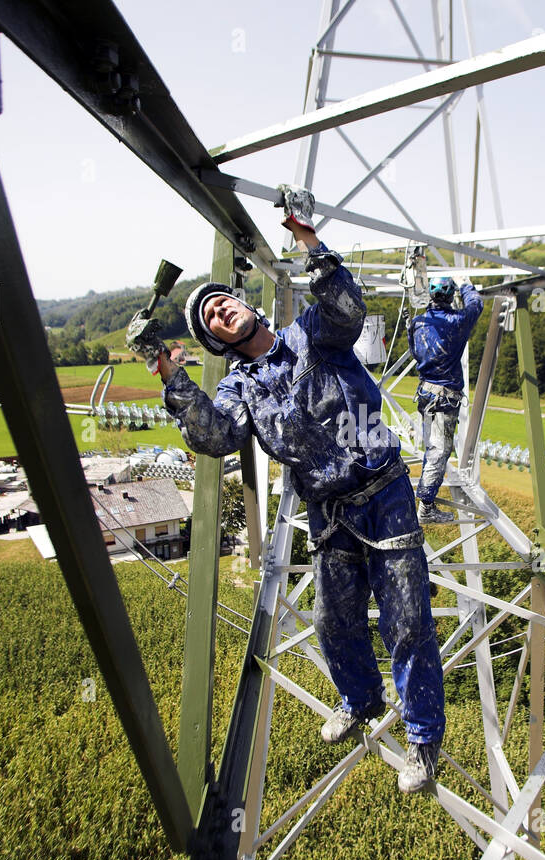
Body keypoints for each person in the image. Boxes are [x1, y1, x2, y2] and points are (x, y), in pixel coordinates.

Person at [126, 185, 445, 793]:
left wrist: (308, 241)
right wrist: (165, 369)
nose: (221, 310)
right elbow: (216, 436)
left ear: (246, 308)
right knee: (333, 620)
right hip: (327, 511)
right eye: (211, 318)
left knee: (406, 619)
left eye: (223, 301)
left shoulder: (312, 334)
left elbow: (349, 310)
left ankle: (424, 741)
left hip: (383, 492)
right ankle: (361, 701)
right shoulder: (238, 389)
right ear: (217, 341)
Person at [409, 274, 484, 523]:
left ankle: (425, 500)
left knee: (432, 446)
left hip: (425, 392)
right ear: (450, 295)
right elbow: (476, 305)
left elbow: (414, 350)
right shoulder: (456, 322)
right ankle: (426, 507)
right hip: (444, 398)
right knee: (439, 450)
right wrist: (466, 285)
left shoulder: (417, 323)